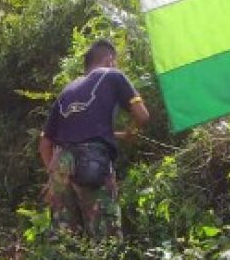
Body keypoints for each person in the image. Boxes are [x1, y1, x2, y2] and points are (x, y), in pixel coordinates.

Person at [39, 40, 149, 240]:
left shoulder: (67, 91)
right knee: (106, 238)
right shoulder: (113, 75)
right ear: (109, 60)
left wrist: (52, 174)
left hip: (60, 166)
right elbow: (142, 116)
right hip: (92, 161)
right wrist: (131, 133)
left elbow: (45, 143)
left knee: (66, 239)